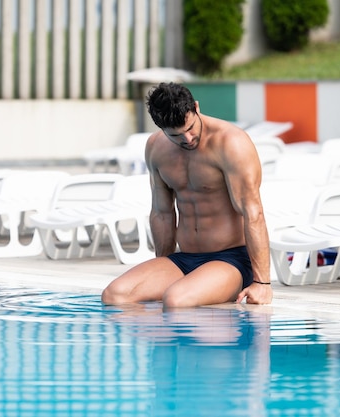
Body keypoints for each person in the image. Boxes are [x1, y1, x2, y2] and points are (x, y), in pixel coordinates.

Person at [101, 82, 272, 308]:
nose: (188, 139)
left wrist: (262, 283)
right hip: (185, 258)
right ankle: (163, 342)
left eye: (191, 127)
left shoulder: (230, 142)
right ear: (161, 128)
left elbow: (253, 212)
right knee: (115, 296)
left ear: (197, 108)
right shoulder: (156, 148)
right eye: (177, 135)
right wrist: (162, 265)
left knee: (175, 299)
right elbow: (162, 212)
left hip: (231, 259)